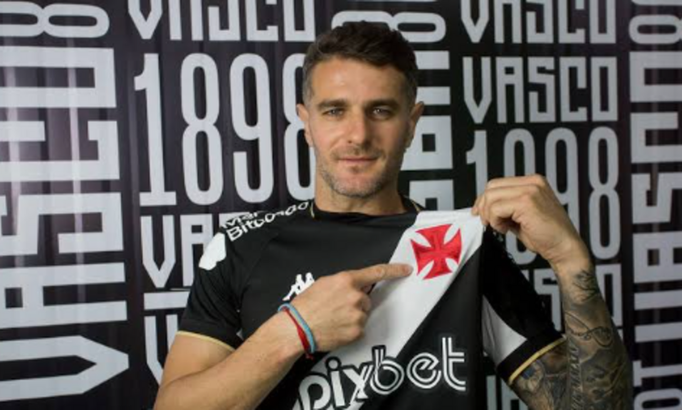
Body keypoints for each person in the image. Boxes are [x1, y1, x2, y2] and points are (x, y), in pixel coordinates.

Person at [154, 22, 631, 410]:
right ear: (306, 123)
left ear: (412, 123)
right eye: (334, 111)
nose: (358, 135)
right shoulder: (242, 245)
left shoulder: (463, 247)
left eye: (380, 110)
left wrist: (571, 262)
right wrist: (294, 331)